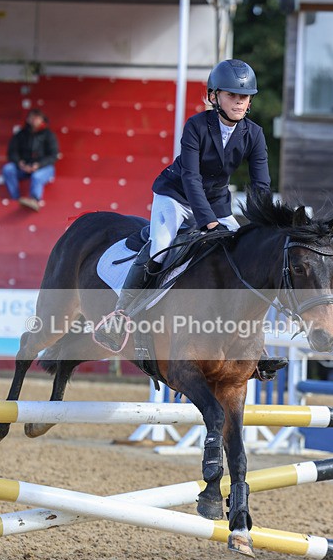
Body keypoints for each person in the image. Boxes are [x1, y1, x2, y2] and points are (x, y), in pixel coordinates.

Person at [94, 58, 272, 353]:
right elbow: (191, 178)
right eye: (232, 95)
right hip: (176, 195)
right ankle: (121, 315)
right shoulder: (197, 126)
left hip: (217, 201)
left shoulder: (254, 134)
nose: (240, 102)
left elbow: (261, 186)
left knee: (242, 254)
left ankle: (250, 339)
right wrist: (208, 223)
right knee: (160, 246)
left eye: (245, 97)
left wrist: (262, 226)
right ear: (214, 96)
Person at [2, 108, 59, 211]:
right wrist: (20, 163)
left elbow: (53, 156)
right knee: (8, 169)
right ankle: (16, 199)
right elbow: (12, 152)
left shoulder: (49, 135)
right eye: (32, 117)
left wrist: (38, 165)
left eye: (37, 118)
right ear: (28, 119)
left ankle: (35, 199)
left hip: (43, 168)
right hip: (24, 167)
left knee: (37, 176)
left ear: (42, 120)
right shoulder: (20, 134)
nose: (34, 120)